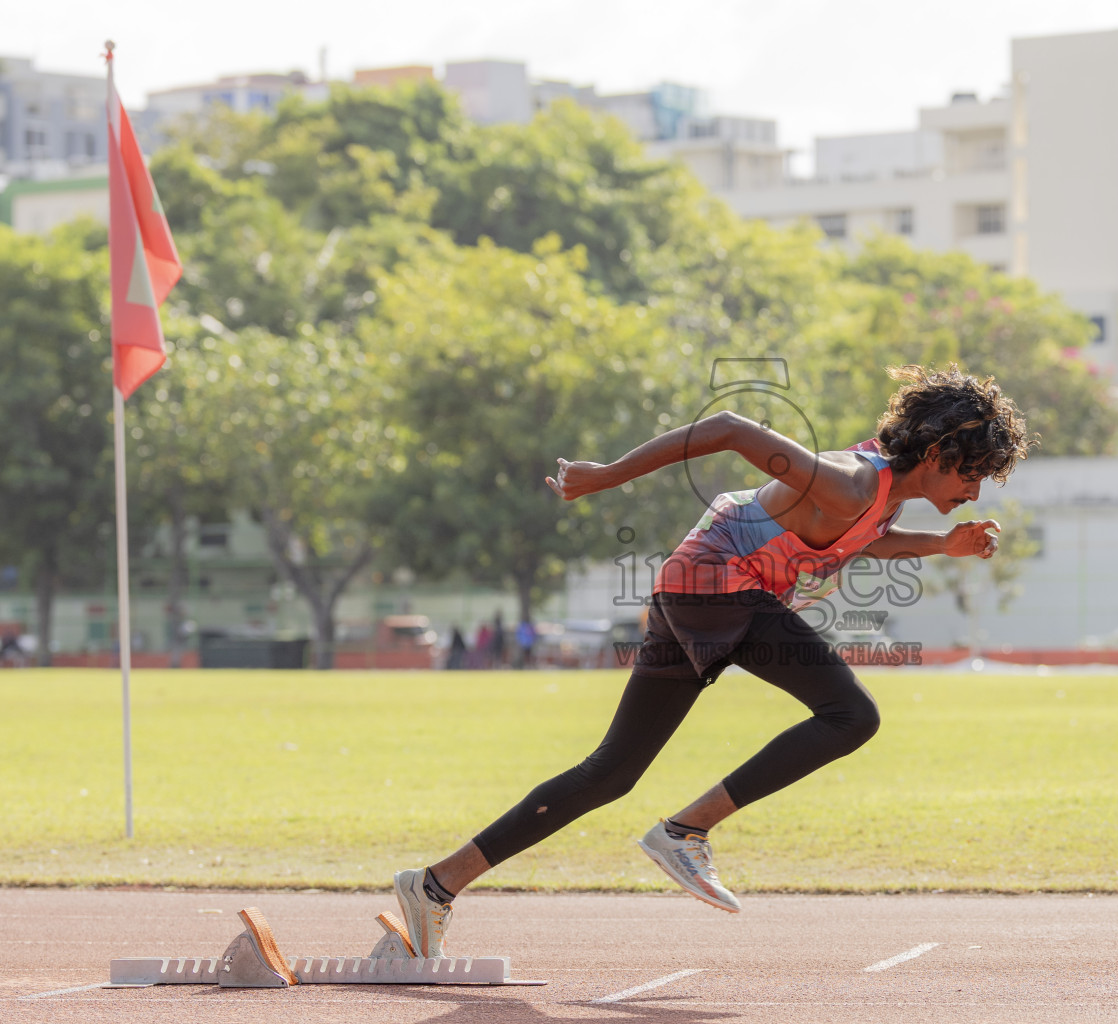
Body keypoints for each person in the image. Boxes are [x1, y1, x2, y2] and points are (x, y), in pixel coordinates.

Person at [392, 365, 1034, 957]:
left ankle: (435, 887)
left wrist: (941, 546)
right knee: (850, 715)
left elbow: (864, 535)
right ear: (938, 455)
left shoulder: (882, 492)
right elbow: (729, 429)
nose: (975, 493)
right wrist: (605, 474)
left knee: (610, 772)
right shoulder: (855, 479)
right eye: (972, 475)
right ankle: (685, 831)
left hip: (695, 590)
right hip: (718, 588)